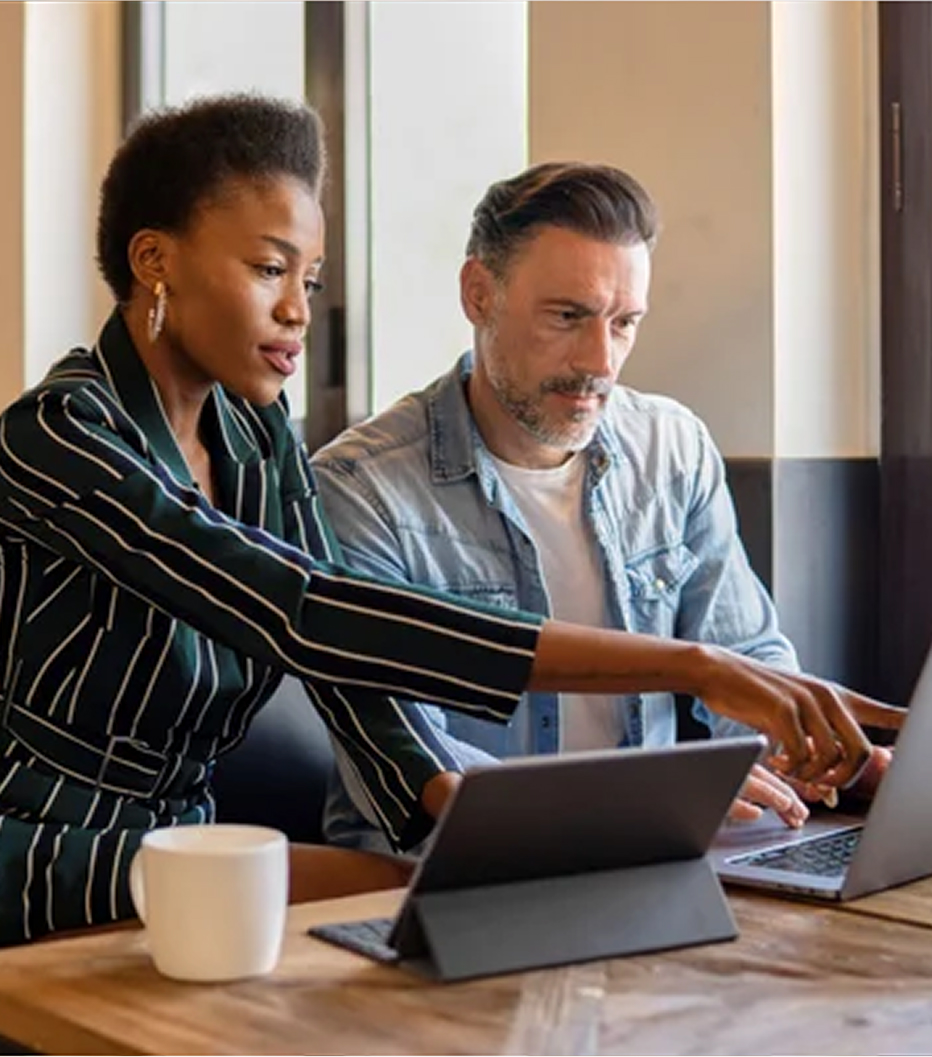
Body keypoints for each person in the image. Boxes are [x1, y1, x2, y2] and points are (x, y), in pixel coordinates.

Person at [0, 97, 900, 948]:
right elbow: (310, 609)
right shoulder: (55, 433)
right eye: (270, 269)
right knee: (398, 921)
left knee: (444, 915)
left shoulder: (255, 437)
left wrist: (477, 810)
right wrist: (695, 665)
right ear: (153, 260)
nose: (298, 310)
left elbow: (355, 681)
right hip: (35, 840)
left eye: (310, 278)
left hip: (184, 840)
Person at [312, 160, 896, 853]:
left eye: (625, 322)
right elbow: (416, 764)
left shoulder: (671, 448)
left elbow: (748, 660)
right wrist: (654, 799)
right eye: (568, 316)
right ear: (478, 294)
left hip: (658, 853)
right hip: (437, 871)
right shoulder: (360, 487)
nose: (601, 360)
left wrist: (824, 759)